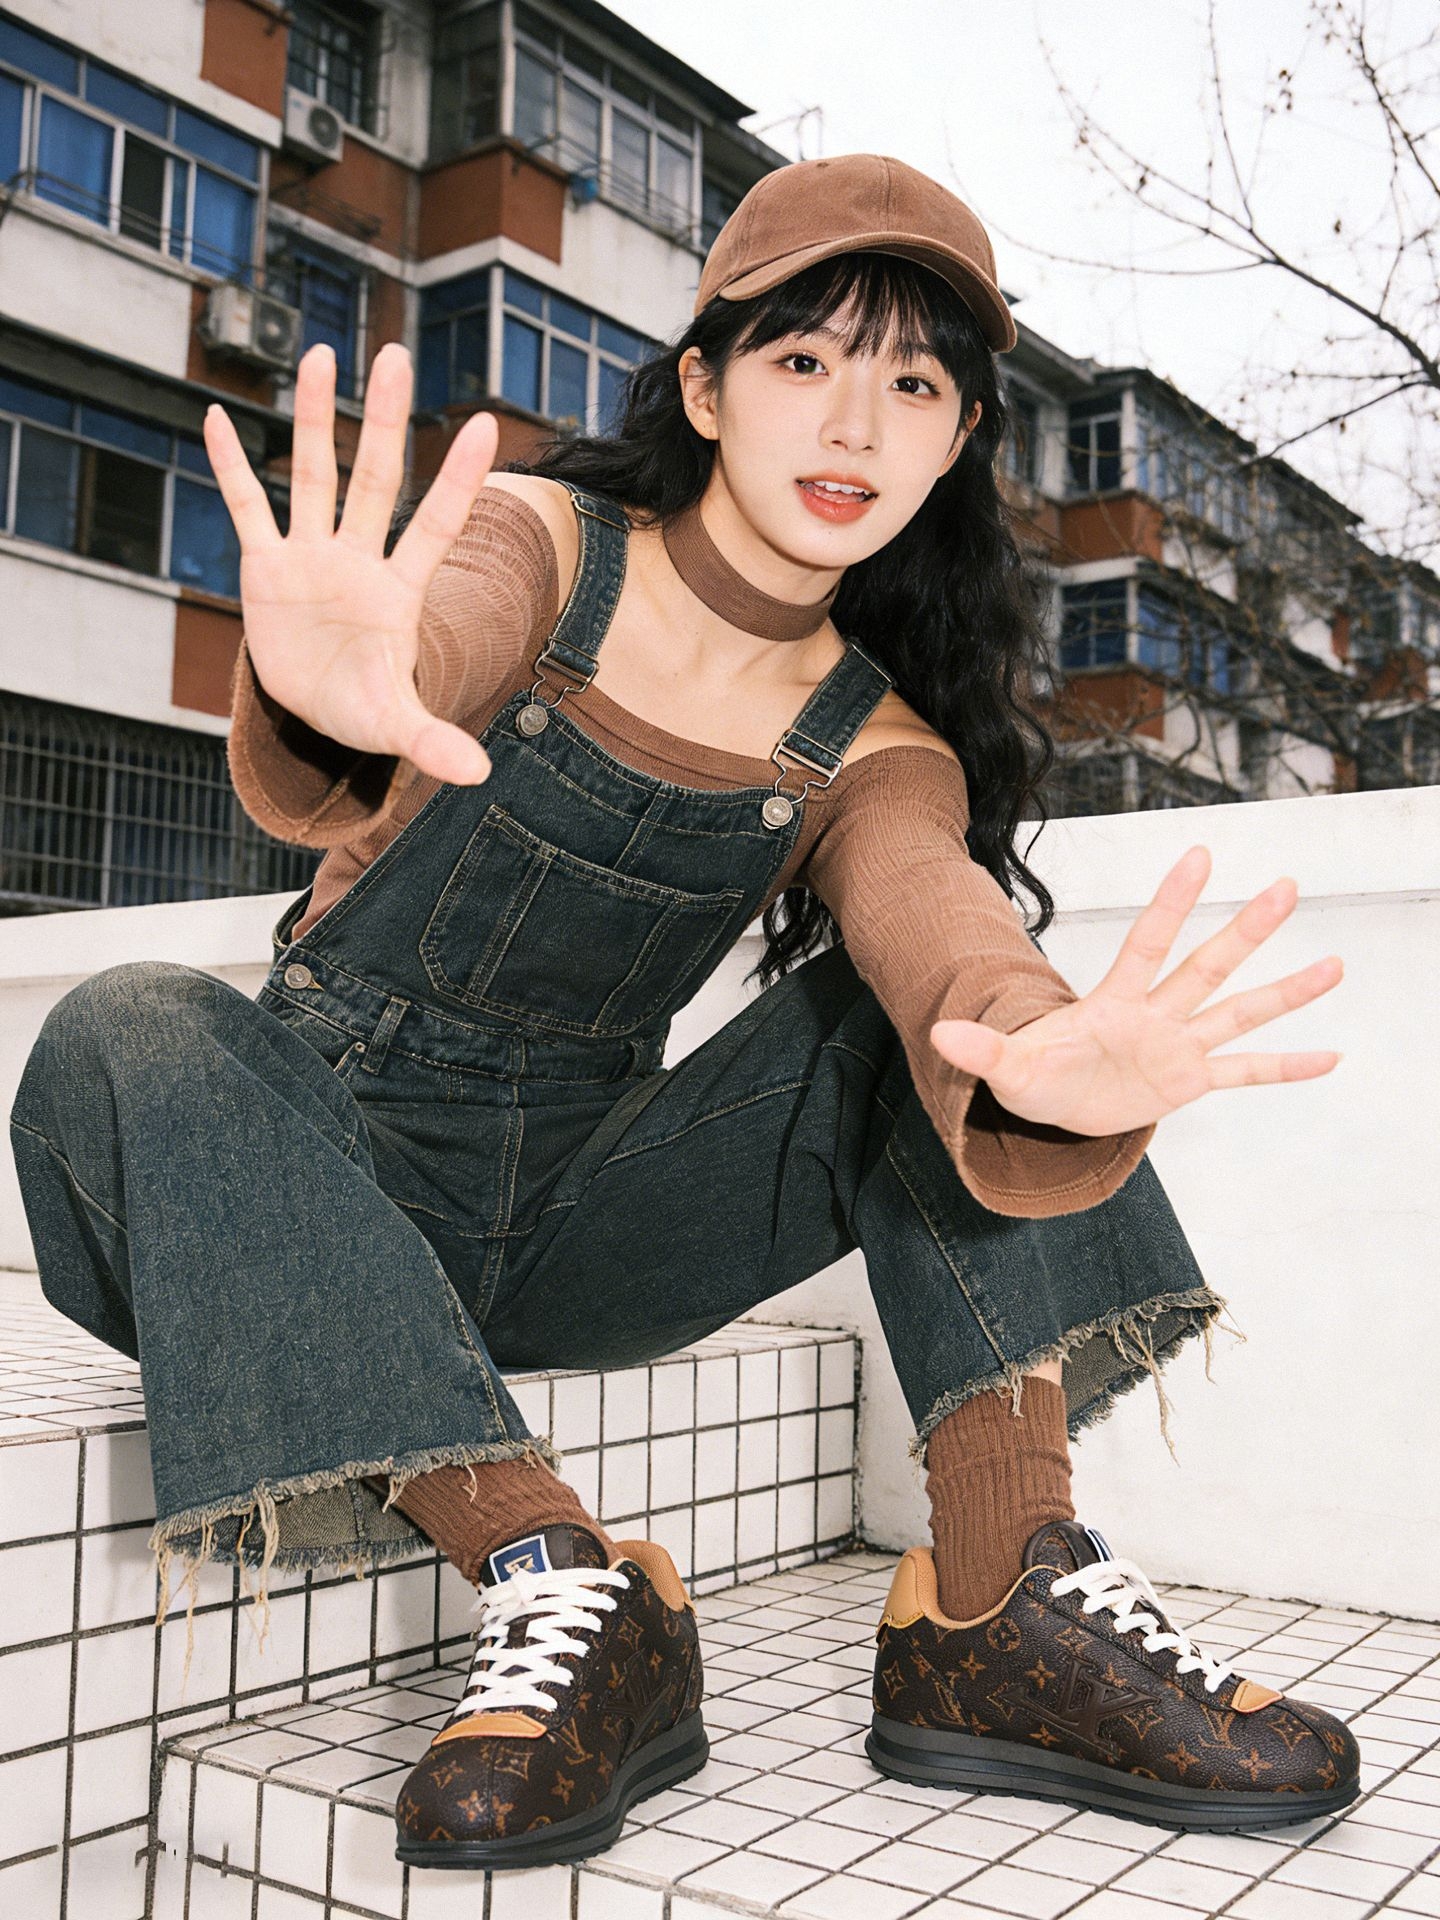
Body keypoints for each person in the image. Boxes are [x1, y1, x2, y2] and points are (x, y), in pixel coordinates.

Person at [8, 153, 1359, 1869]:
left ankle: (1003, 1596)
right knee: (131, 1020)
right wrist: (350, 688)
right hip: (313, 1186)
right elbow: (436, 641)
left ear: (958, 442)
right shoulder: (544, 545)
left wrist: (1039, 1047)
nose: (854, 423)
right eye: (804, 360)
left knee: (946, 1039)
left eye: (914, 386)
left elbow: (937, 924)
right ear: (706, 389)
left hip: (584, 1220)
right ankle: (563, 1585)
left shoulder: (875, 740)